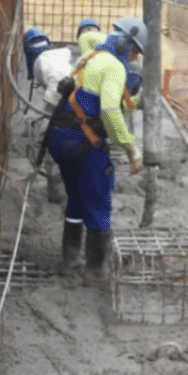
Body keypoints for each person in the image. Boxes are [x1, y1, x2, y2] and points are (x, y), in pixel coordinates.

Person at [44, 16, 147, 284]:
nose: (135, 57)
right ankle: (95, 271)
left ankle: (70, 261)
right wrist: (131, 149)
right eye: (135, 50)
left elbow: (98, 102)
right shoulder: (114, 66)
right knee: (99, 201)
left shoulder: (90, 55)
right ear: (126, 43)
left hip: (61, 138)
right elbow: (110, 113)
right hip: (83, 143)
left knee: (76, 197)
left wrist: (133, 103)